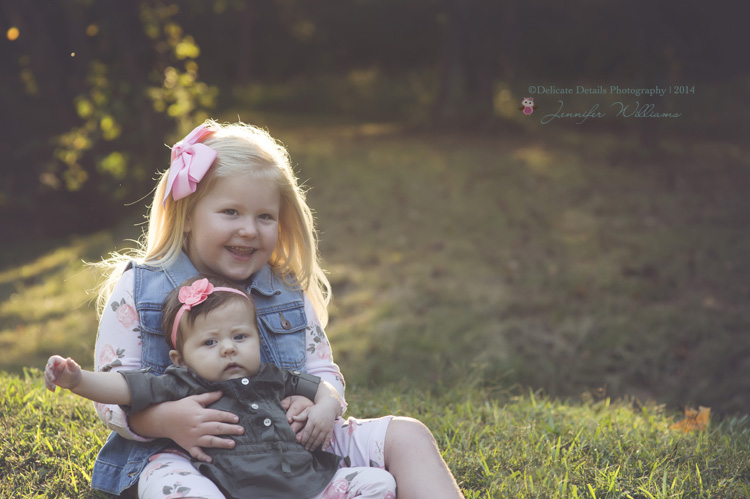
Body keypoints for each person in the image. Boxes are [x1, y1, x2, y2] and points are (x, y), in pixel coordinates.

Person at [90, 120, 465, 498]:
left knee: (407, 434)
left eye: (265, 216)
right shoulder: (140, 288)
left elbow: (323, 372)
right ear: (187, 216)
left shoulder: (285, 288)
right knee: (175, 485)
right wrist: (166, 420)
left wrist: (323, 406)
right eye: (231, 212)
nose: (250, 230)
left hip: (288, 447)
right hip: (186, 453)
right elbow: (114, 390)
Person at [45, 276, 396, 499]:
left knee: (378, 485)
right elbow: (124, 388)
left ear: (258, 340)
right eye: (209, 343)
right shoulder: (182, 383)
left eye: (240, 337)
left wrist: (324, 406)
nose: (228, 348)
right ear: (179, 358)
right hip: (231, 487)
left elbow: (321, 386)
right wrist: (77, 380)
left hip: (308, 484)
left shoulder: (273, 376)